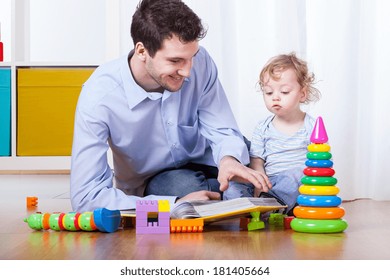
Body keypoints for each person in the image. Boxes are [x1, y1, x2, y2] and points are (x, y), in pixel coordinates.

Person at [70, 0, 270, 212]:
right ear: (141, 51)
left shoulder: (199, 61)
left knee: (266, 159)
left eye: (191, 57)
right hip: (157, 180)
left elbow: (222, 128)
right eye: (175, 61)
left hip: (210, 160)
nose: (187, 71)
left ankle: (233, 194)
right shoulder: (99, 97)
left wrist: (229, 159)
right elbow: (86, 197)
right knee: (183, 188)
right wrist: (171, 205)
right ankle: (234, 196)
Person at [223, 52, 321, 215]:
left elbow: (319, 161)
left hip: (294, 184)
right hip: (267, 182)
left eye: (284, 92)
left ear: (302, 94)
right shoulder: (263, 127)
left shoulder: (312, 126)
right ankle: (246, 208)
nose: (275, 98)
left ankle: (270, 207)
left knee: (298, 174)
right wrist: (259, 180)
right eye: (269, 93)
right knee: (233, 185)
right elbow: (257, 161)